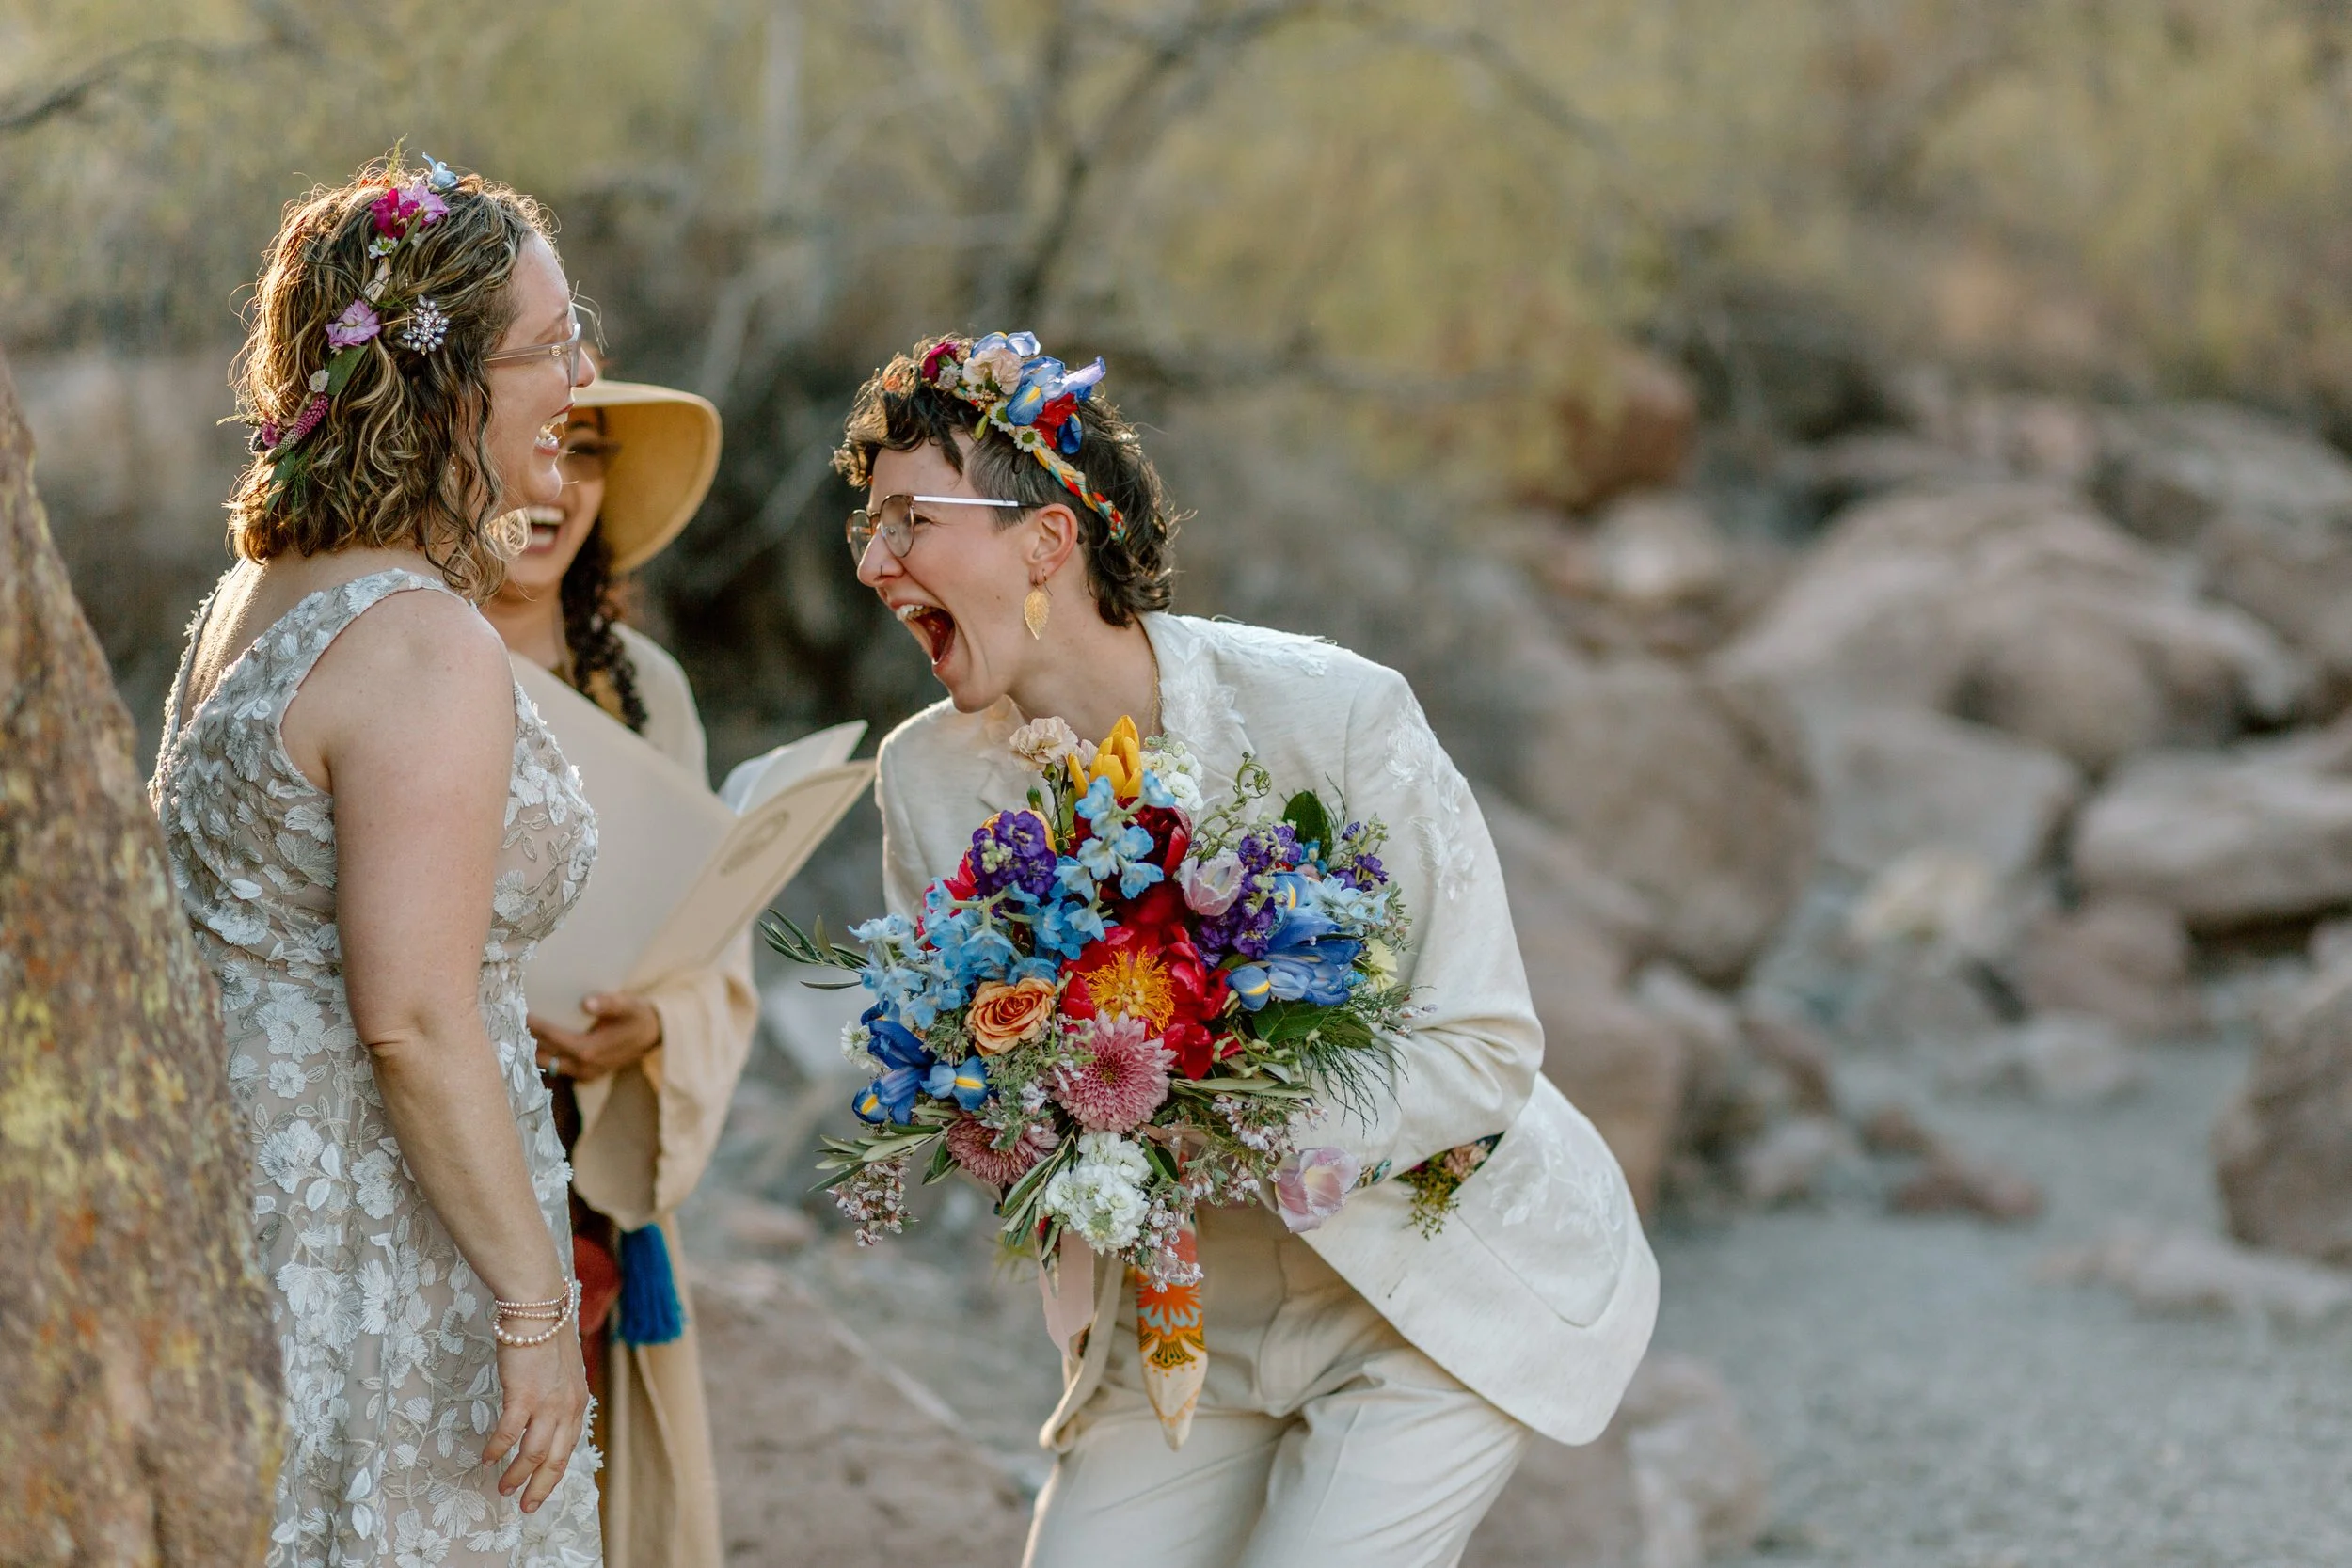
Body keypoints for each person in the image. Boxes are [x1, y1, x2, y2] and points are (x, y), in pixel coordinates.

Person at [837, 331, 1661, 1568]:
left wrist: (1235, 1113)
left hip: (1418, 1294)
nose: (872, 559)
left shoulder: (1335, 710)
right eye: (866, 525)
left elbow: (1486, 1044)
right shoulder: (924, 778)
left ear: (1048, 540)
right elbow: (971, 1060)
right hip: (1174, 1322)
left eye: (908, 517)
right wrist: (1004, 1116)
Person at [150, 154, 604, 1565]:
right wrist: (534, 1305)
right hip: (374, 1236)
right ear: (446, 382)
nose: (582, 377)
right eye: (548, 346)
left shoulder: (254, 594)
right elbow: (407, 1015)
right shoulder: (421, 640)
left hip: (242, 1192)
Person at [478, 373, 753, 1568]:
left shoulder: (649, 684)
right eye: (538, 443)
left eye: (585, 449)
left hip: (590, 1146)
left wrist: (654, 1025)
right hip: (436, 1129)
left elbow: (710, 943)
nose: (561, 484)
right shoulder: (399, 647)